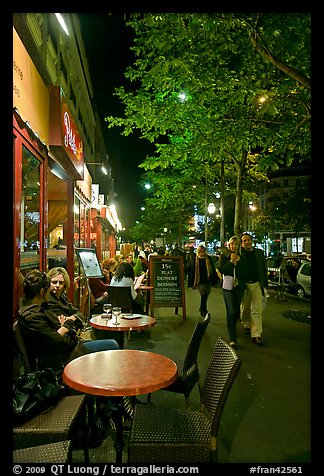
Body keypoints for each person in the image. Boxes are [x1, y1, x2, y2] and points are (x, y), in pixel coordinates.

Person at [17, 270, 120, 377]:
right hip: (63, 360)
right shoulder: (33, 316)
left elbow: (62, 328)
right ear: (43, 291)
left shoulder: (40, 309)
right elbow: (60, 341)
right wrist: (68, 326)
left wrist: (64, 328)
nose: (53, 290)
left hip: (68, 351)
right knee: (112, 345)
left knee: (111, 345)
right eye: (50, 288)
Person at [217, 236, 247, 347]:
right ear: (229, 245)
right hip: (227, 287)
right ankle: (232, 337)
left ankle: (233, 328)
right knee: (231, 311)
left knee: (236, 311)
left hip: (239, 287)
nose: (234, 246)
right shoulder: (224, 256)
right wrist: (231, 262)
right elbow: (222, 269)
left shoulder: (242, 257)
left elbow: (245, 272)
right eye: (232, 244)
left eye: (236, 244)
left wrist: (238, 263)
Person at [240, 232, 268, 345]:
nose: (247, 242)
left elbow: (263, 269)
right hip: (244, 285)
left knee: (256, 310)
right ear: (241, 243)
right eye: (244, 241)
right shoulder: (239, 253)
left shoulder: (259, 253)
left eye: (248, 240)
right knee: (245, 309)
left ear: (252, 241)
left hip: (257, 284)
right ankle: (247, 324)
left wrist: (265, 284)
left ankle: (256, 334)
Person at [192, 245, 218, 317]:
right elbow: (192, 269)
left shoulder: (208, 258)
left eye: (204, 251)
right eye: (201, 252)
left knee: (206, 294)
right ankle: (204, 310)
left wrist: (215, 279)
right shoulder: (195, 259)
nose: (202, 253)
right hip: (199, 281)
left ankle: (202, 308)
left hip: (208, 280)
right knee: (203, 294)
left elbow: (212, 268)